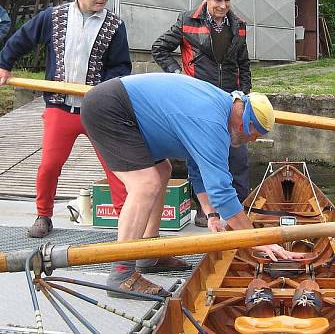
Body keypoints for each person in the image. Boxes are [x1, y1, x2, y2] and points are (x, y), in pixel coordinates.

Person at [81, 72, 302, 297]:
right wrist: (258, 240)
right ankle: (121, 274)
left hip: (129, 113)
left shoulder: (222, 110)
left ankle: (147, 253)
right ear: (244, 119)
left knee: (162, 170)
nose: (252, 140)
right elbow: (222, 192)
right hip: (111, 108)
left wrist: (212, 215)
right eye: (253, 134)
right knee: (145, 184)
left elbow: (197, 167)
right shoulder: (211, 122)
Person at [0, 0, 130, 238]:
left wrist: (104, 90)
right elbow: (22, 38)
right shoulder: (54, 16)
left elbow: (121, 67)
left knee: (116, 167)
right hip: (60, 107)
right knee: (49, 165)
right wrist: (4, 63)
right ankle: (43, 215)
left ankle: (126, 220)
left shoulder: (114, 26)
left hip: (97, 110)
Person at [151, 0, 252, 229]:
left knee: (237, 155)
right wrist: (178, 76)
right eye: (218, 0)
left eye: (227, 1)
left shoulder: (238, 24)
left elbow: (244, 64)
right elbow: (159, 49)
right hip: (197, 101)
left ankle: (238, 208)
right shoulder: (187, 20)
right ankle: (204, 210)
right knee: (198, 159)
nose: (223, 6)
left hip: (230, 99)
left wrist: (245, 94)